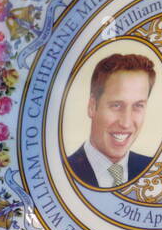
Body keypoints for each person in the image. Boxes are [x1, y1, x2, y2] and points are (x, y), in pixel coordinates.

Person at [66, 54, 155, 188]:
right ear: (92, 106)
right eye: (116, 105)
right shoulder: (62, 172)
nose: (126, 123)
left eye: (138, 106)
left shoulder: (154, 170)